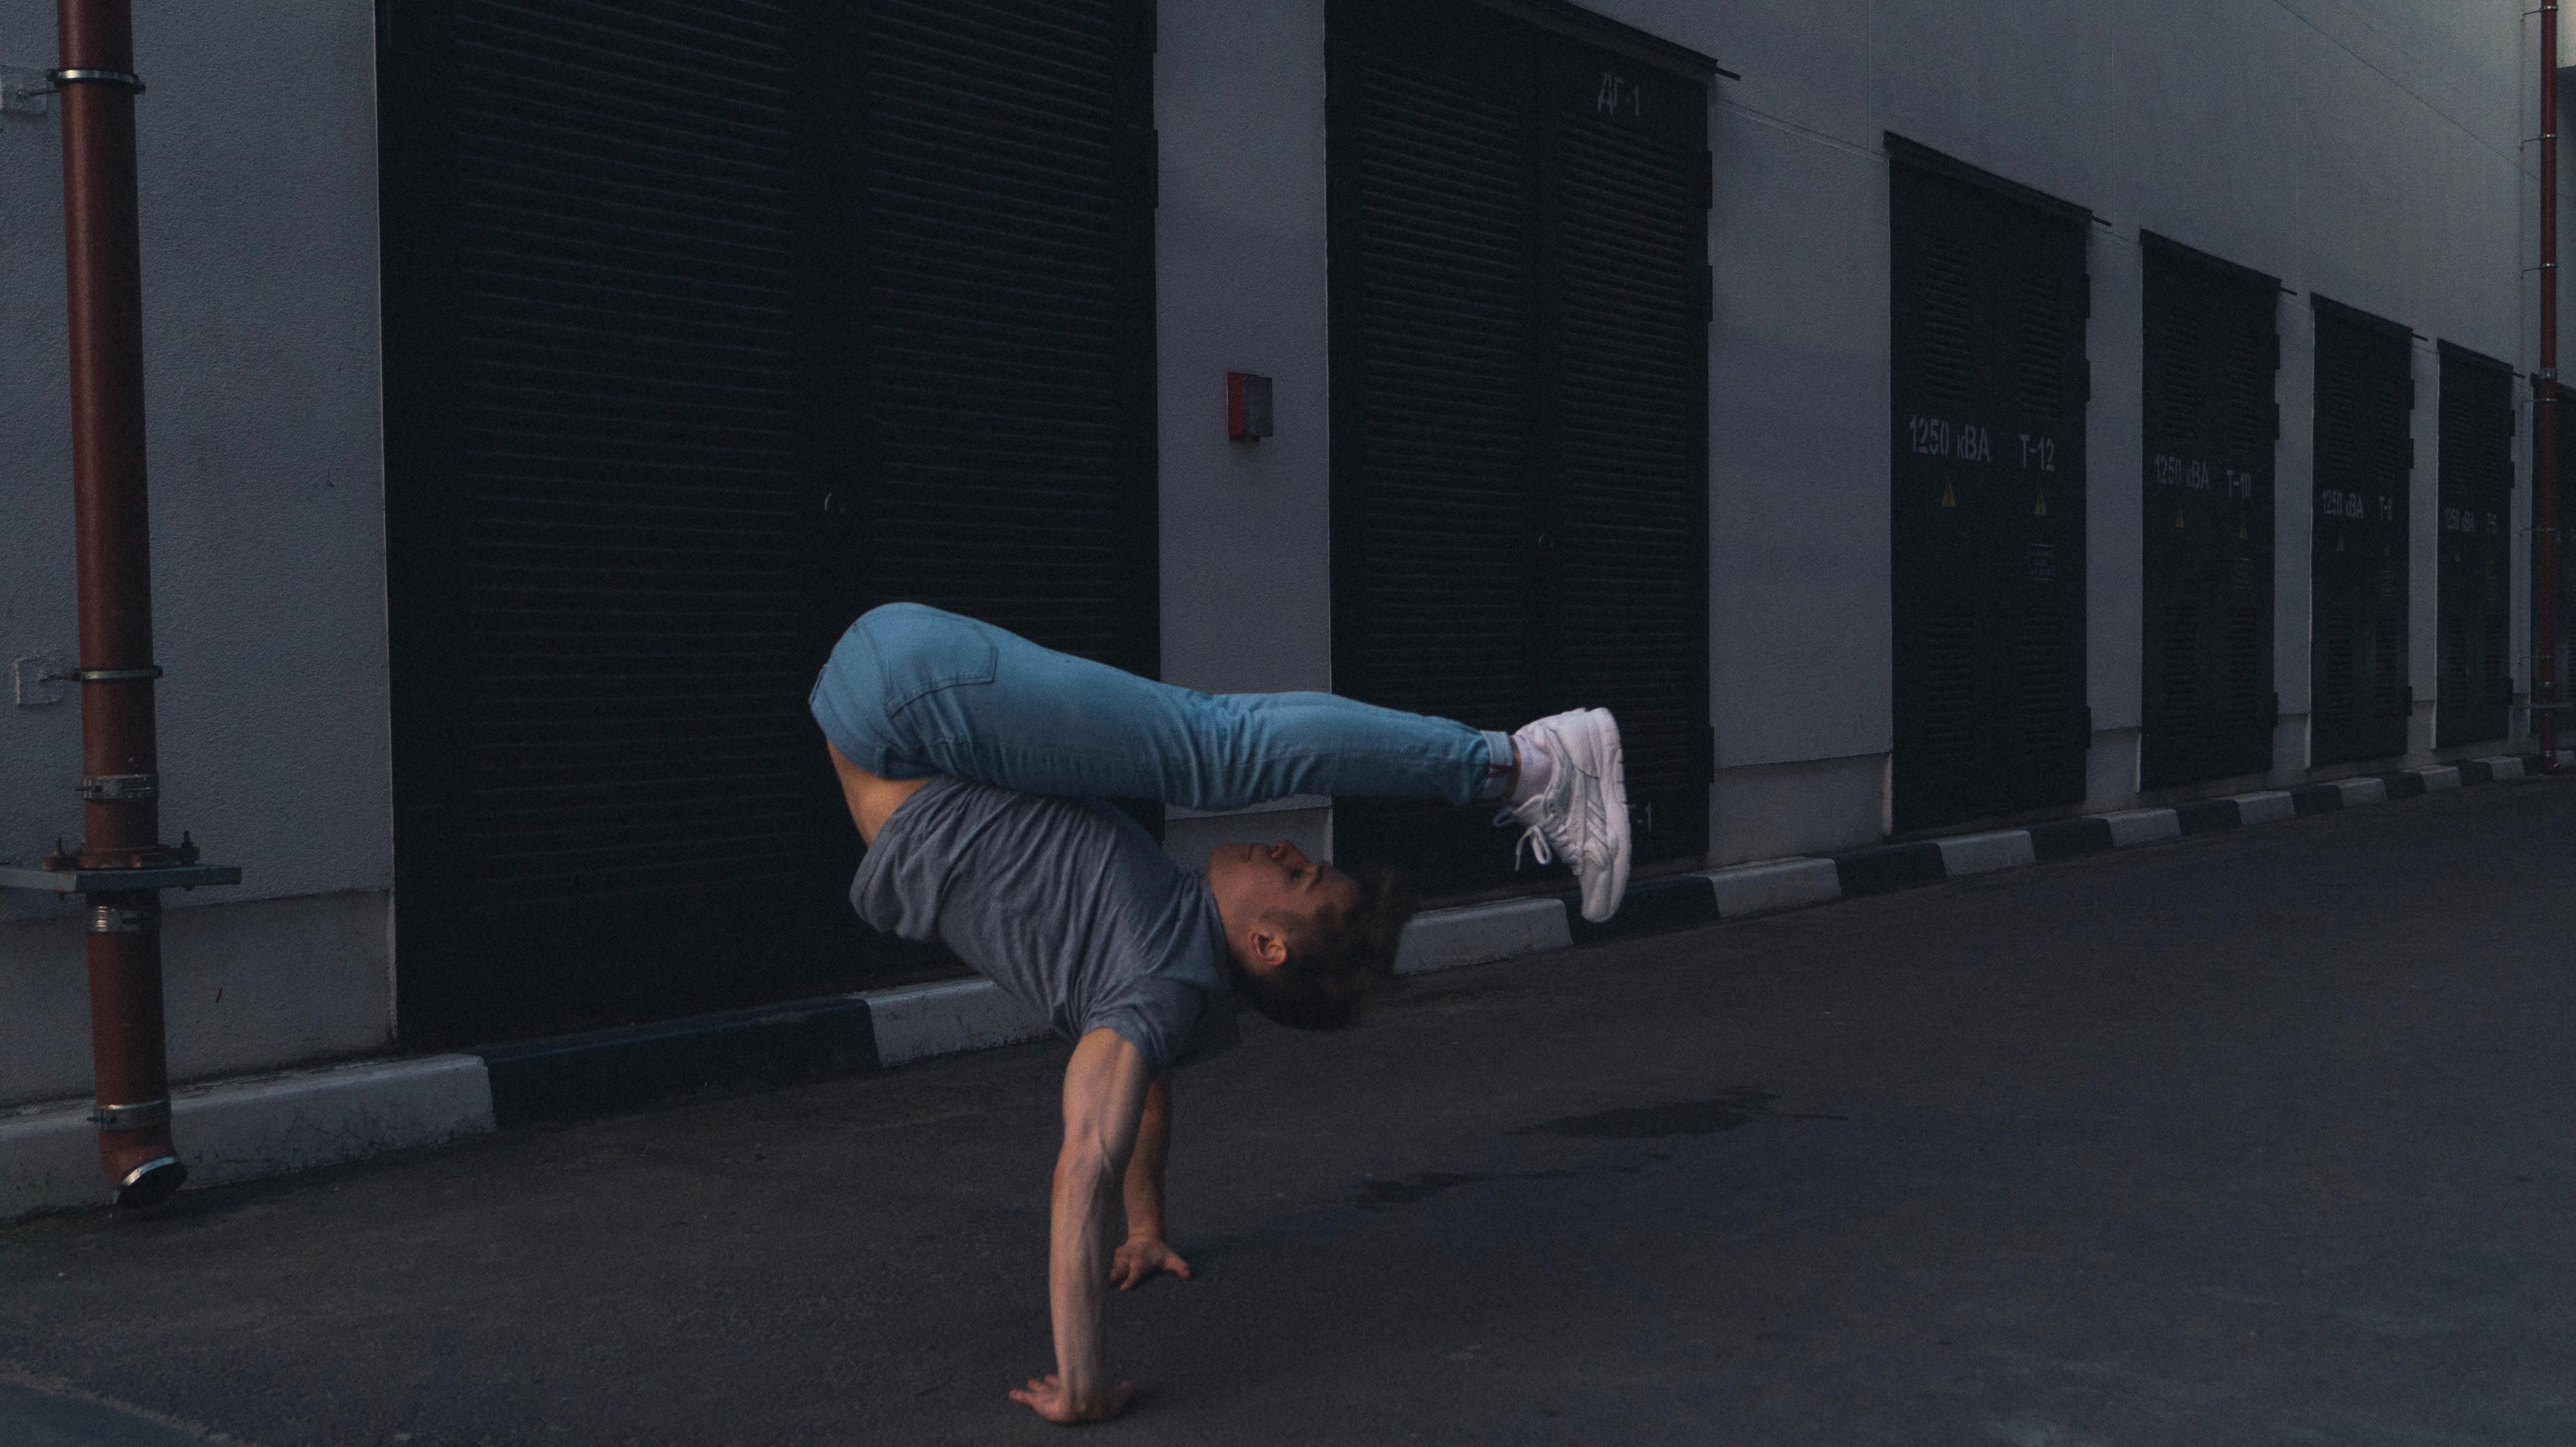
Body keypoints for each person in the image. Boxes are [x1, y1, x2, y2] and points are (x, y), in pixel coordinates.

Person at [809, 603, 1630, 1424]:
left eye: (1298, 874)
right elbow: (1140, 1083)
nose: (1282, 848)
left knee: (1216, 746)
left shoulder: (1161, 989)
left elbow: (1091, 1151)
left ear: (1269, 945)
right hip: (894, 706)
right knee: (1209, 747)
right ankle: (1523, 764)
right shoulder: (1171, 970)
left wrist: (1091, 1365)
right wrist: (1148, 1220)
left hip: (901, 699)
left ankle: (1534, 765)